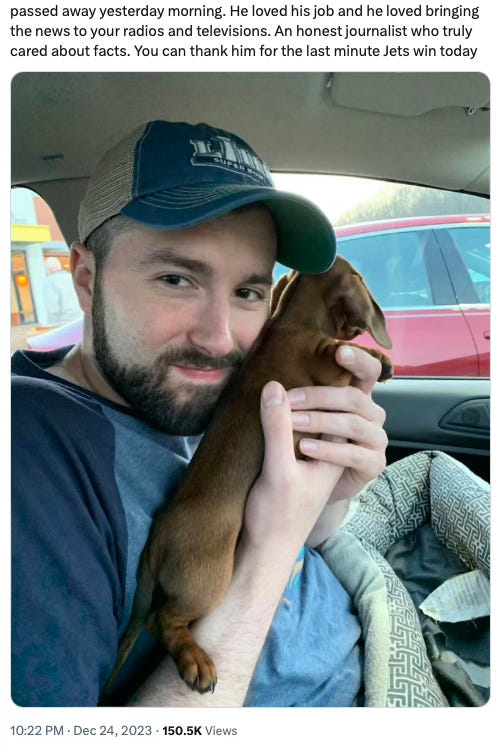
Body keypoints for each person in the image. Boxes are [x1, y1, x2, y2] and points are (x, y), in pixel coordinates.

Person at [11, 120, 388, 707]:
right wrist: (269, 552)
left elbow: (304, 536)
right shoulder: (27, 455)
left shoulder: (193, 394)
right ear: (86, 279)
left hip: (379, 636)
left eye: (248, 293)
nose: (219, 339)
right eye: (176, 278)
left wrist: (329, 491)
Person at [43, 256, 82, 325]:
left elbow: (52, 309)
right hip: (80, 319)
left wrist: (52, 325)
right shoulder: (73, 277)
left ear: (48, 270)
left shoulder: (50, 281)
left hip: (65, 322)